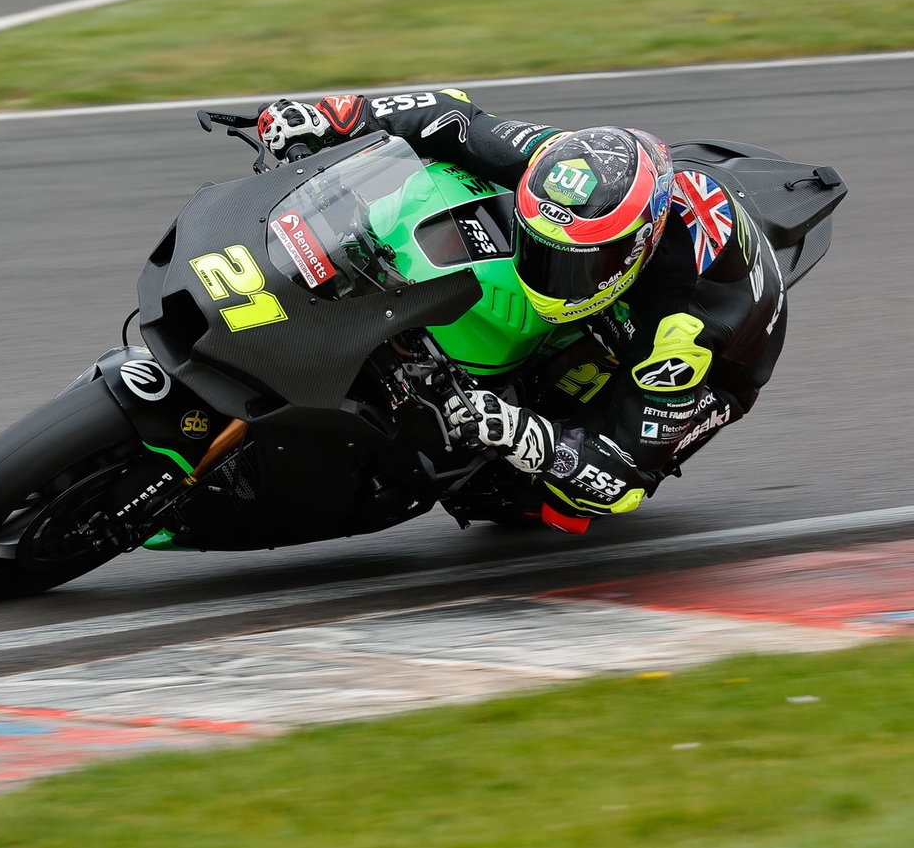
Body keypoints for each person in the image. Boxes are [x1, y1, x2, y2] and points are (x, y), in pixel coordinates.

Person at [256, 89, 786, 530]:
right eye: (540, 249)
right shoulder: (556, 160)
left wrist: (518, 432)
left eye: (569, 265)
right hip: (648, 232)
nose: (547, 272)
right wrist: (332, 115)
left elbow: (620, 478)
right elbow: (452, 117)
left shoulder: (681, 336)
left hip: (718, 360)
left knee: (523, 496)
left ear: (631, 251)